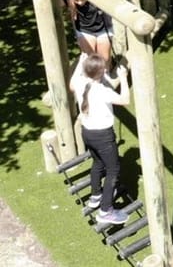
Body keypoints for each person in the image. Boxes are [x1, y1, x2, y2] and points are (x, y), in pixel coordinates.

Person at [70, 55, 130, 226]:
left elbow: (72, 83)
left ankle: (96, 195)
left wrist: (80, 62)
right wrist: (123, 78)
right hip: (103, 136)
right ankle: (106, 211)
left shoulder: (80, 82)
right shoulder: (103, 91)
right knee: (113, 170)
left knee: (98, 162)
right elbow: (125, 100)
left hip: (87, 133)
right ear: (103, 72)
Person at [60, 0, 113, 65]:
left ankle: (107, 69)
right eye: (76, 0)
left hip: (103, 29)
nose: (80, 3)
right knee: (90, 59)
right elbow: (55, 2)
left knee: (104, 59)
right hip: (85, 30)